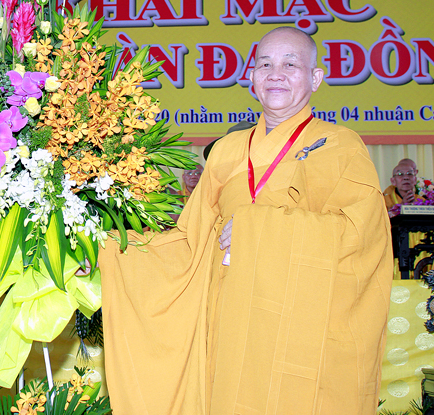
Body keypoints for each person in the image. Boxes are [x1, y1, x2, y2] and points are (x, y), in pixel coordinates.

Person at [101, 27, 392, 414]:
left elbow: (362, 234)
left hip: (300, 320)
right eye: (265, 64)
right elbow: (190, 240)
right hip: (231, 312)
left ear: (316, 78)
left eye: (291, 65)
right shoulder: (226, 150)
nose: (276, 74)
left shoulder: (340, 145)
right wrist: (107, 249)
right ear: (252, 78)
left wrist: (262, 229)